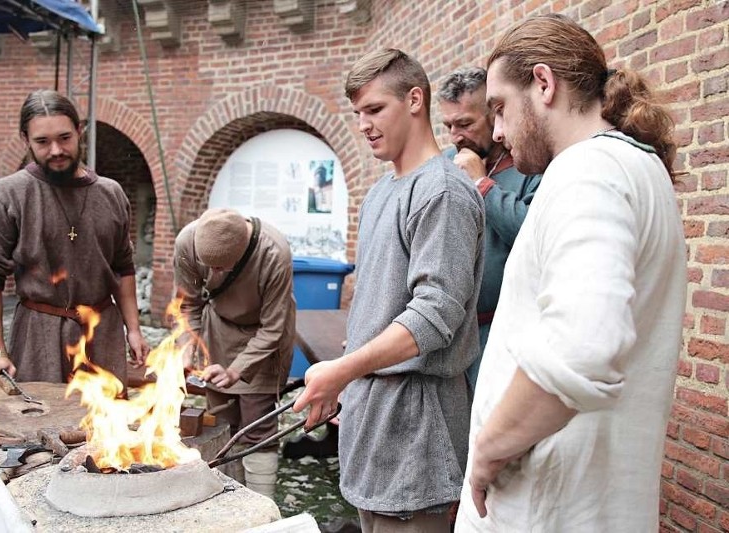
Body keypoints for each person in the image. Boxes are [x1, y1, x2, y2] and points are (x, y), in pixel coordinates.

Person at [455, 14, 685, 532]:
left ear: (543, 84)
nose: (495, 130)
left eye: (499, 108)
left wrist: (490, 448)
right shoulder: (632, 167)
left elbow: (582, 344)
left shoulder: (588, 171)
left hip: (549, 507)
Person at [293, 48, 485, 532]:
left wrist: (342, 371)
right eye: (358, 113)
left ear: (415, 99)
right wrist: (351, 380)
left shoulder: (441, 192)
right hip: (372, 421)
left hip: (421, 430)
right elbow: (379, 308)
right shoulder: (381, 192)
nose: (363, 124)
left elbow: (433, 317)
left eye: (375, 109)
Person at [0, 89, 150, 392]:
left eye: (64, 138)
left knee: (106, 428)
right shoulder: (9, 194)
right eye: (42, 141)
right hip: (39, 332)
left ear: (79, 131)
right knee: (39, 426)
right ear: (25, 139)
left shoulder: (111, 193)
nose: (55, 150)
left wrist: (133, 329)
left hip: (102, 332)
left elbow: (123, 266)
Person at [173, 208, 295, 499]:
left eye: (222, 269)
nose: (213, 275)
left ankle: (261, 509)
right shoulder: (187, 243)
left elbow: (272, 328)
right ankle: (233, 500)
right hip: (219, 329)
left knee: (256, 426)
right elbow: (188, 305)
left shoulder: (274, 253)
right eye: (209, 267)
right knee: (224, 422)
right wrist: (187, 347)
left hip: (263, 334)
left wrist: (236, 370)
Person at [438, 67, 542, 390]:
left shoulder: (530, 163)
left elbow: (533, 235)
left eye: (466, 124)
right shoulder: (443, 164)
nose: (456, 136)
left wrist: (482, 185)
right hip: (448, 337)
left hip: (503, 336)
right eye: (449, 126)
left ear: (493, 116)